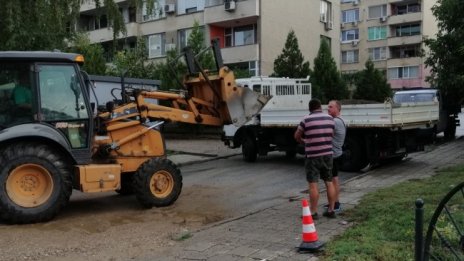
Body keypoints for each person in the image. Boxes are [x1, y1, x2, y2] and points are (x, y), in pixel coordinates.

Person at [294, 98, 337, 219]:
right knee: (329, 182)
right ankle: (331, 210)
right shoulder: (330, 119)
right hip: (328, 154)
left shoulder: (306, 119)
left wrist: (304, 141)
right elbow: (332, 135)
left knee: (313, 184)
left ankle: (313, 212)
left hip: (313, 156)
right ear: (320, 107)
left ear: (310, 108)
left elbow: (297, 136)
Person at [326, 100, 346, 212]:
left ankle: (335, 204)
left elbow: (326, 134)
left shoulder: (335, 122)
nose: (328, 109)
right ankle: (334, 202)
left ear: (337, 109)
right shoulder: (340, 120)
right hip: (337, 153)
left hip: (333, 155)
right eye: (328, 107)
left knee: (333, 180)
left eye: (330, 107)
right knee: (334, 179)